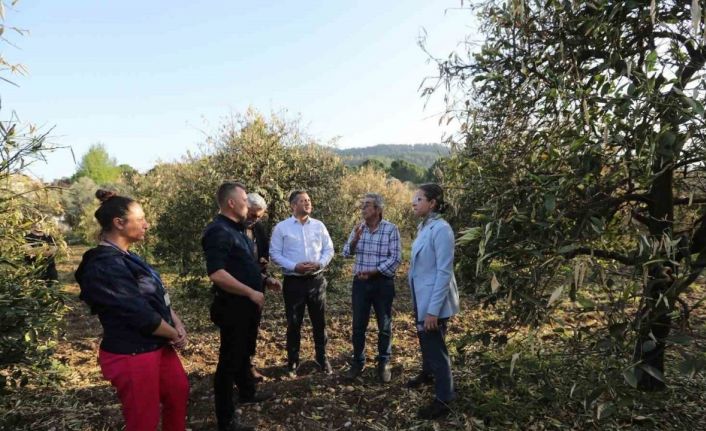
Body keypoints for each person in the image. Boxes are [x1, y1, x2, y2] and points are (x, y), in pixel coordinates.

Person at [74, 190, 189, 431]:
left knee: (177, 393)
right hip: (132, 353)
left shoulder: (129, 256)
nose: (146, 225)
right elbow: (138, 313)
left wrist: (176, 323)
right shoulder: (104, 265)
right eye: (141, 219)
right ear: (119, 223)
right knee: (143, 418)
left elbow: (157, 295)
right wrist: (173, 333)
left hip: (158, 344)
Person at [201, 181, 280, 431]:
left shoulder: (239, 230)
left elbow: (244, 266)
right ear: (231, 203)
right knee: (229, 362)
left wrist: (264, 280)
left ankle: (247, 392)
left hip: (248, 306)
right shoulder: (218, 231)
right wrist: (250, 292)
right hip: (233, 307)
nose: (248, 204)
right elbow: (217, 273)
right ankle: (226, 420)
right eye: (244, 199)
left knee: (244, 352)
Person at [407, 183, 460, 420]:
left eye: (419, 199)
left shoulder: (442, 229)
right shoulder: (425, 226)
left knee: (436, 348)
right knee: (426, 342)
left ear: (432, 203)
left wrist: (433, 311)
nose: (414, 203)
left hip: (433, 301)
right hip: (421, 295)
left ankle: (444, 398)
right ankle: (427, 374)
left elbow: (444, 272)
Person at [269, 190, 334, 376]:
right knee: (294, 323)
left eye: (309, 200)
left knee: (319, 322)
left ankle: (322, 358)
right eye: (303, 200)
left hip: (316, 281)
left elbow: (329, 249)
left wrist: (320, 263)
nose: (307, 203)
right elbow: (274, 253)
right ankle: (293, 361)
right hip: (294, 282)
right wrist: (294, 266)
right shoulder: (282, 228)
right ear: (293, 205)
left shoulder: (319, 226)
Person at [342, 193, 401, 383]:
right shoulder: (359, 228)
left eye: (367, 205)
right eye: (363, 205)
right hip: (360, 283)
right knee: (358, 325)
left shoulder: (391, 229)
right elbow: (346, 253)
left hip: (382, 283)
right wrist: (355, 240)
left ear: (378, 209)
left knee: (384, 325)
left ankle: (384, 362)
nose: (363, 208)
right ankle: (358, 362)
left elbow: (395, 259)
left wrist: (374, 271)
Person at [244, 192, 273, 382]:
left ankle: (249, 364)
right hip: (237, 287)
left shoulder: (259, 228)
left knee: (253, 325)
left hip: (257, 284)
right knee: (237, 329)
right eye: (252, 215)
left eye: (258, 217)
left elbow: (264, 252)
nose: (254, 219)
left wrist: (263, 262)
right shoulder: (232, 229)